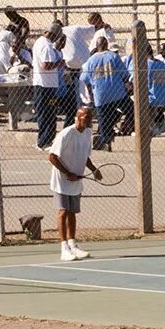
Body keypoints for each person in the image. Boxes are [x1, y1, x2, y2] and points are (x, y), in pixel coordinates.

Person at [46, 104, 102, 262]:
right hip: (61, 180)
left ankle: (73, 245)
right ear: (77, 118)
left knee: (72, 213)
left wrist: (94, 169)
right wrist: (67, 173)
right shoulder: (66, 133)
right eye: (86, 118)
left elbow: (85, 155)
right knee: (62, 212)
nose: (89, 120)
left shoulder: (88, 133)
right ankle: (63, 248)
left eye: (91, 117)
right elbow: (52, 157)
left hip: (76, 179)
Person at [80, 33, 130, 149]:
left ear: (97, 46)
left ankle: (106, 141)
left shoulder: (91, 60)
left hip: (101, 95)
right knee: (131, 110)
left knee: (103, 119)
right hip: (117, 93)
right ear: (106, 45)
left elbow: (85, 80)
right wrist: (125, 84)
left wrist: (91, 95)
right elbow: (125, 75)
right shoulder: (113, 56)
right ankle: (119, 123)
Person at [30, 20, 69, 149]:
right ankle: (43, 141)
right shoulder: (46, 46)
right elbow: (46, 65)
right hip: (44, 87)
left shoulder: (41, 43)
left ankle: (47, 139)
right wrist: (59, 64)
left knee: (50, 112)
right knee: (46, 113)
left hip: (49, 86)